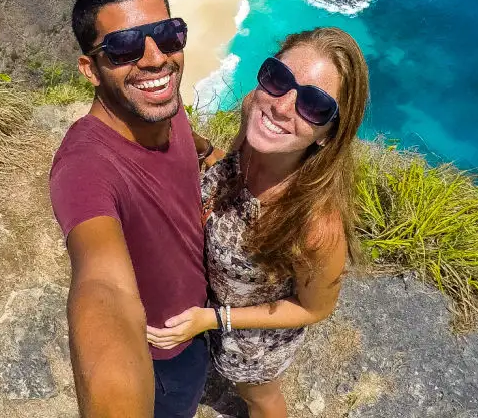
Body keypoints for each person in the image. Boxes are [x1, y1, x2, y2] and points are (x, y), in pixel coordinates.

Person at [146, 27, 370, 418]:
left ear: (328, 135)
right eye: (278, 78)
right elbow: (230, 165)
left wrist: (214, 319)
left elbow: (314, 309)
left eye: (314, 106)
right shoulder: (256, 118)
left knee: (258, 398)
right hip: (211, 307)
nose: (282, 106)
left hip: (252, 339)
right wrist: (202, 150)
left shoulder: (316, 223)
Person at [49, 0, 213, 418]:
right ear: (91, 69)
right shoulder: (85, 167)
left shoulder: (163, 107)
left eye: (167, 34)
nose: (156, 58)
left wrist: (212, 155)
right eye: (124, 47)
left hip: (203, 312)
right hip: (164, 349)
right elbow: (103, 287)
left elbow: (190, 144)